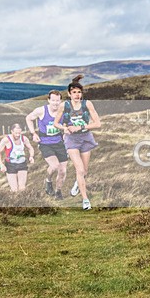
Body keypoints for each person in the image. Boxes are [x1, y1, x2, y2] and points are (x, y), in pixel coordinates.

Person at [52, 75, 101, 210]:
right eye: (74, 92)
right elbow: (56, 123)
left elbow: (97, 124)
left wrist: (81, 127)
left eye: (79, 92)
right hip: (71, 139)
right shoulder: (64, 105)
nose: (77, 95)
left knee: (84, 171)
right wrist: (64, 128)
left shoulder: (87, 104)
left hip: (86, 138)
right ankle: (85, 200)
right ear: (69, 94)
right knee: (79, 169)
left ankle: (77, 183)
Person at [26, 90, 69, 199]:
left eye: (57, 100)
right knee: (54, 166)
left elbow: (69, 125)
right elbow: (28, 118)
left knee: (63, 171)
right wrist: (33, 133)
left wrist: (66, 133)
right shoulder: (41, 110)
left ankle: (58, 192)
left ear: (60, 101)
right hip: (45, 143)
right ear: (48, 100)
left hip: (59, 143)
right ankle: (48, 181)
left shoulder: (64, 112)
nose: (55, 103)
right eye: (53, 100)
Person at [0, 123, 36, 192]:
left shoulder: (24, 139)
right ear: (12, 131)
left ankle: (23, 199)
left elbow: (30, 148)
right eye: (16, 133)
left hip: (22, 163)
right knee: (14, 190)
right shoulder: (6, 140)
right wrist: (1, 164)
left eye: (19, 133)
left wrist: (31, 156)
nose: (17, 135)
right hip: (11, 165)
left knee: (22, 188)